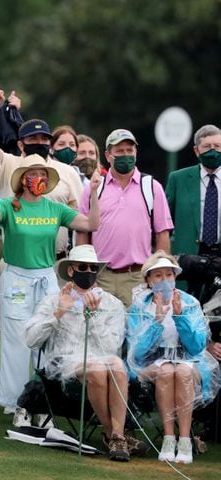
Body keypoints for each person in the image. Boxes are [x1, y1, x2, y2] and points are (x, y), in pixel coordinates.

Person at [0, 155, 100, 426]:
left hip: (45, 277)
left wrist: (93, 193)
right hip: (17, 278)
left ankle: (42, 401)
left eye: (43, 174)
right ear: (23, 178)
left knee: (46, 338)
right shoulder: (11, 205)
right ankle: (15, 403)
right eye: (34, 173)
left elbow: (91, 224)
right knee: (16, 340)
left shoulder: (54, 209)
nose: (40, 179)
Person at [24, 244, 146, 462]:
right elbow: (31, 339)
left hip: (102, 359)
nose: (89, 272)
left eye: (93, 268)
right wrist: (58, 313)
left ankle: (116, 435)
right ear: (71, 270)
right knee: (98, 369)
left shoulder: (112, 304)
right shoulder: (54, 299)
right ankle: (115, 435)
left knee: (117, 366)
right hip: (64, 364)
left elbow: (112, 345)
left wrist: (93, 316)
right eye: (83, 267)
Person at [127, 251, 221, 464]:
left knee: (182, 371)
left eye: (169, 275)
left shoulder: (190, 303)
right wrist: (157, 321)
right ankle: (169, 439)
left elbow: (197, 345)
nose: (164, 280)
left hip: (189, 360)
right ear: (149, 281)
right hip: (151, 363)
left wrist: (180, 317)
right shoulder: (140, 307)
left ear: (175, 277)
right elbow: (138, 352)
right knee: (166, 371)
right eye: (158, 276)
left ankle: (185, 440)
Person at [0, 90, 84, 260]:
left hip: (59, 261)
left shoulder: (67, 171)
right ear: (21, 145)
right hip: (17, 262)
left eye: (44, 139)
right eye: (33, 139)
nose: (39, 143)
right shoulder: (9, 163)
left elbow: (81, 219)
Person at [77, 128, 174, 307]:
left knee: (137, 332)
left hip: (138, 276)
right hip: (101, 277)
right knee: (102, 333)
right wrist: (86, 275)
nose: (125, 155)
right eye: (119, 151)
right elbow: (83, 233)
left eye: (129, 150)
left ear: (136, 152)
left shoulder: (152, 187)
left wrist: (159, 274)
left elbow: (162, 234)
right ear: (108, 155)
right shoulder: (94, 188)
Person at [165, 124, 221, 259]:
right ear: (197, 151)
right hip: (188, 257)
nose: (213, 151)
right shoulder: (178, 179)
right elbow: (164, 221)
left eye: (218, 146)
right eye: (207, 147)